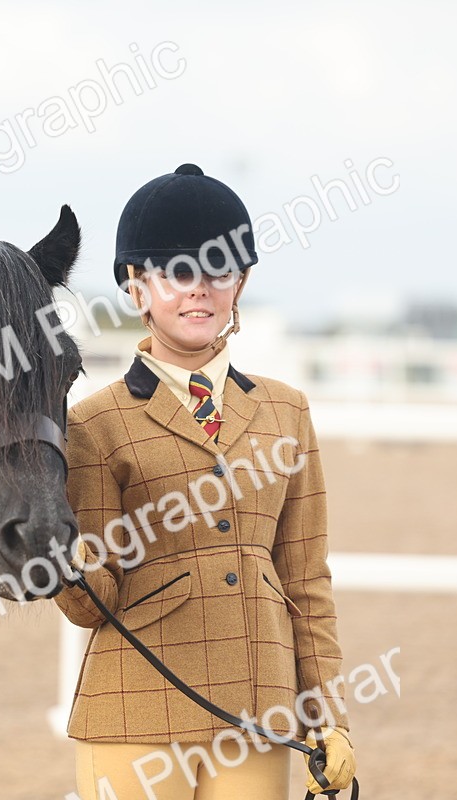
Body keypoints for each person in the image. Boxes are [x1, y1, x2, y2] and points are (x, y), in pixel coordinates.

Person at [55, 164, 357, 800]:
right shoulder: (93, 423)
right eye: (177, 273)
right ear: (137, 288)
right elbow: (91, 601)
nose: (200, 292)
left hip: (259, 708)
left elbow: (304, 578)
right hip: (136, 705)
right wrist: (64, 561)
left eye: (217, 273)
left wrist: (328, 714)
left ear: (240, 282)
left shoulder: (287, 411)